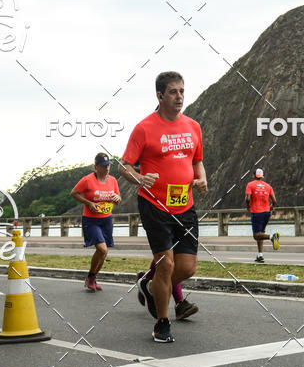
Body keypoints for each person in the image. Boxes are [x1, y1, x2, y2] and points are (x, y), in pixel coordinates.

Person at [119, 71, 207, 343]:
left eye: (182, 91)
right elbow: (124, 166)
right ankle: (162, 322)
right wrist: (139, 178)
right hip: (155, 205)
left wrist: (202, 178)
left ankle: (147, 282)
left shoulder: (193, 126)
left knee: (187, 268)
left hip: (185, 205)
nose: (179, 96)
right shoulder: (145, 128)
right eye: (173, 92)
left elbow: (197, 161)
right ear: (159, 95)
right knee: (166, 265)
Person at [71, 153, 121, 292]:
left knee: (104, 253)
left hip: (106, 219)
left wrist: (117, 198)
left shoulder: (113, 180)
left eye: (108, 165)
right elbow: (74, 193)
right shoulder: (87, 180)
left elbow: (118, 199)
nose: (107, 168)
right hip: (91, 220)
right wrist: (89, 203)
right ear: (96, 167)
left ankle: (92, 277)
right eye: (104, 166)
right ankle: (91, 277)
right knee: (102, 249)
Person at [245, 168, 280, 262]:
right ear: (262, 176)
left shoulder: (250, 185)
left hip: (256, 212)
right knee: (261, 233)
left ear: (253, 175)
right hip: (266, 212)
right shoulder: (268, 186)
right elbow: (274, 201)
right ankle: (260, 255)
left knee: (256, 235)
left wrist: (248, 206)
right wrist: (272, 206)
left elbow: (248, 198)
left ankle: (272, 236)